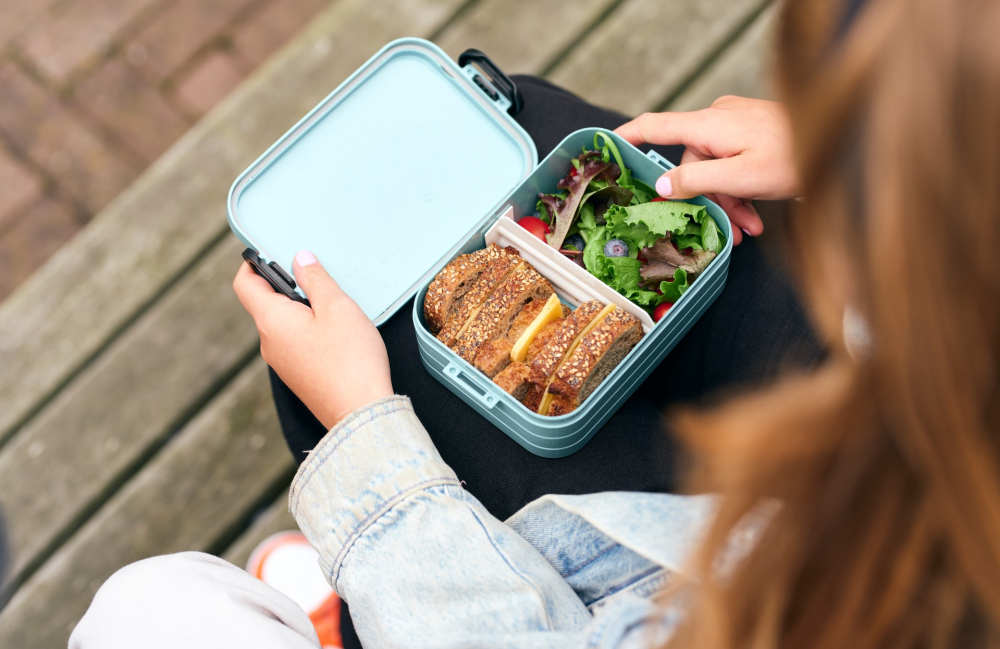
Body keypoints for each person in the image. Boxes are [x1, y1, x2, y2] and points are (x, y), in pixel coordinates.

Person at [71, 0, 1000, 646]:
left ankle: (353, 611)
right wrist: (856, 152)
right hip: (881, 416)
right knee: (540, 120)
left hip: (683, 584)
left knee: (151, 609)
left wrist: (365, 439)